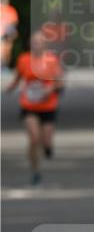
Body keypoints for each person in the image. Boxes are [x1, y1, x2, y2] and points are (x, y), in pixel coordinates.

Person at [5, 29, 64, 185]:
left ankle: (48, 147)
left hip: (48, 106)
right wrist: (9, 88)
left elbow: (60, 82)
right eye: (34, 42)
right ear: (29, 44)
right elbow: (17, 78)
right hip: (29, 105)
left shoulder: (51, 60)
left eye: (40, 42)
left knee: (45, 141)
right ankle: (35, 170)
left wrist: (49, 89)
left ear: (45, 44)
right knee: (33, 139)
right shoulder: (24, 59)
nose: (36, 44)